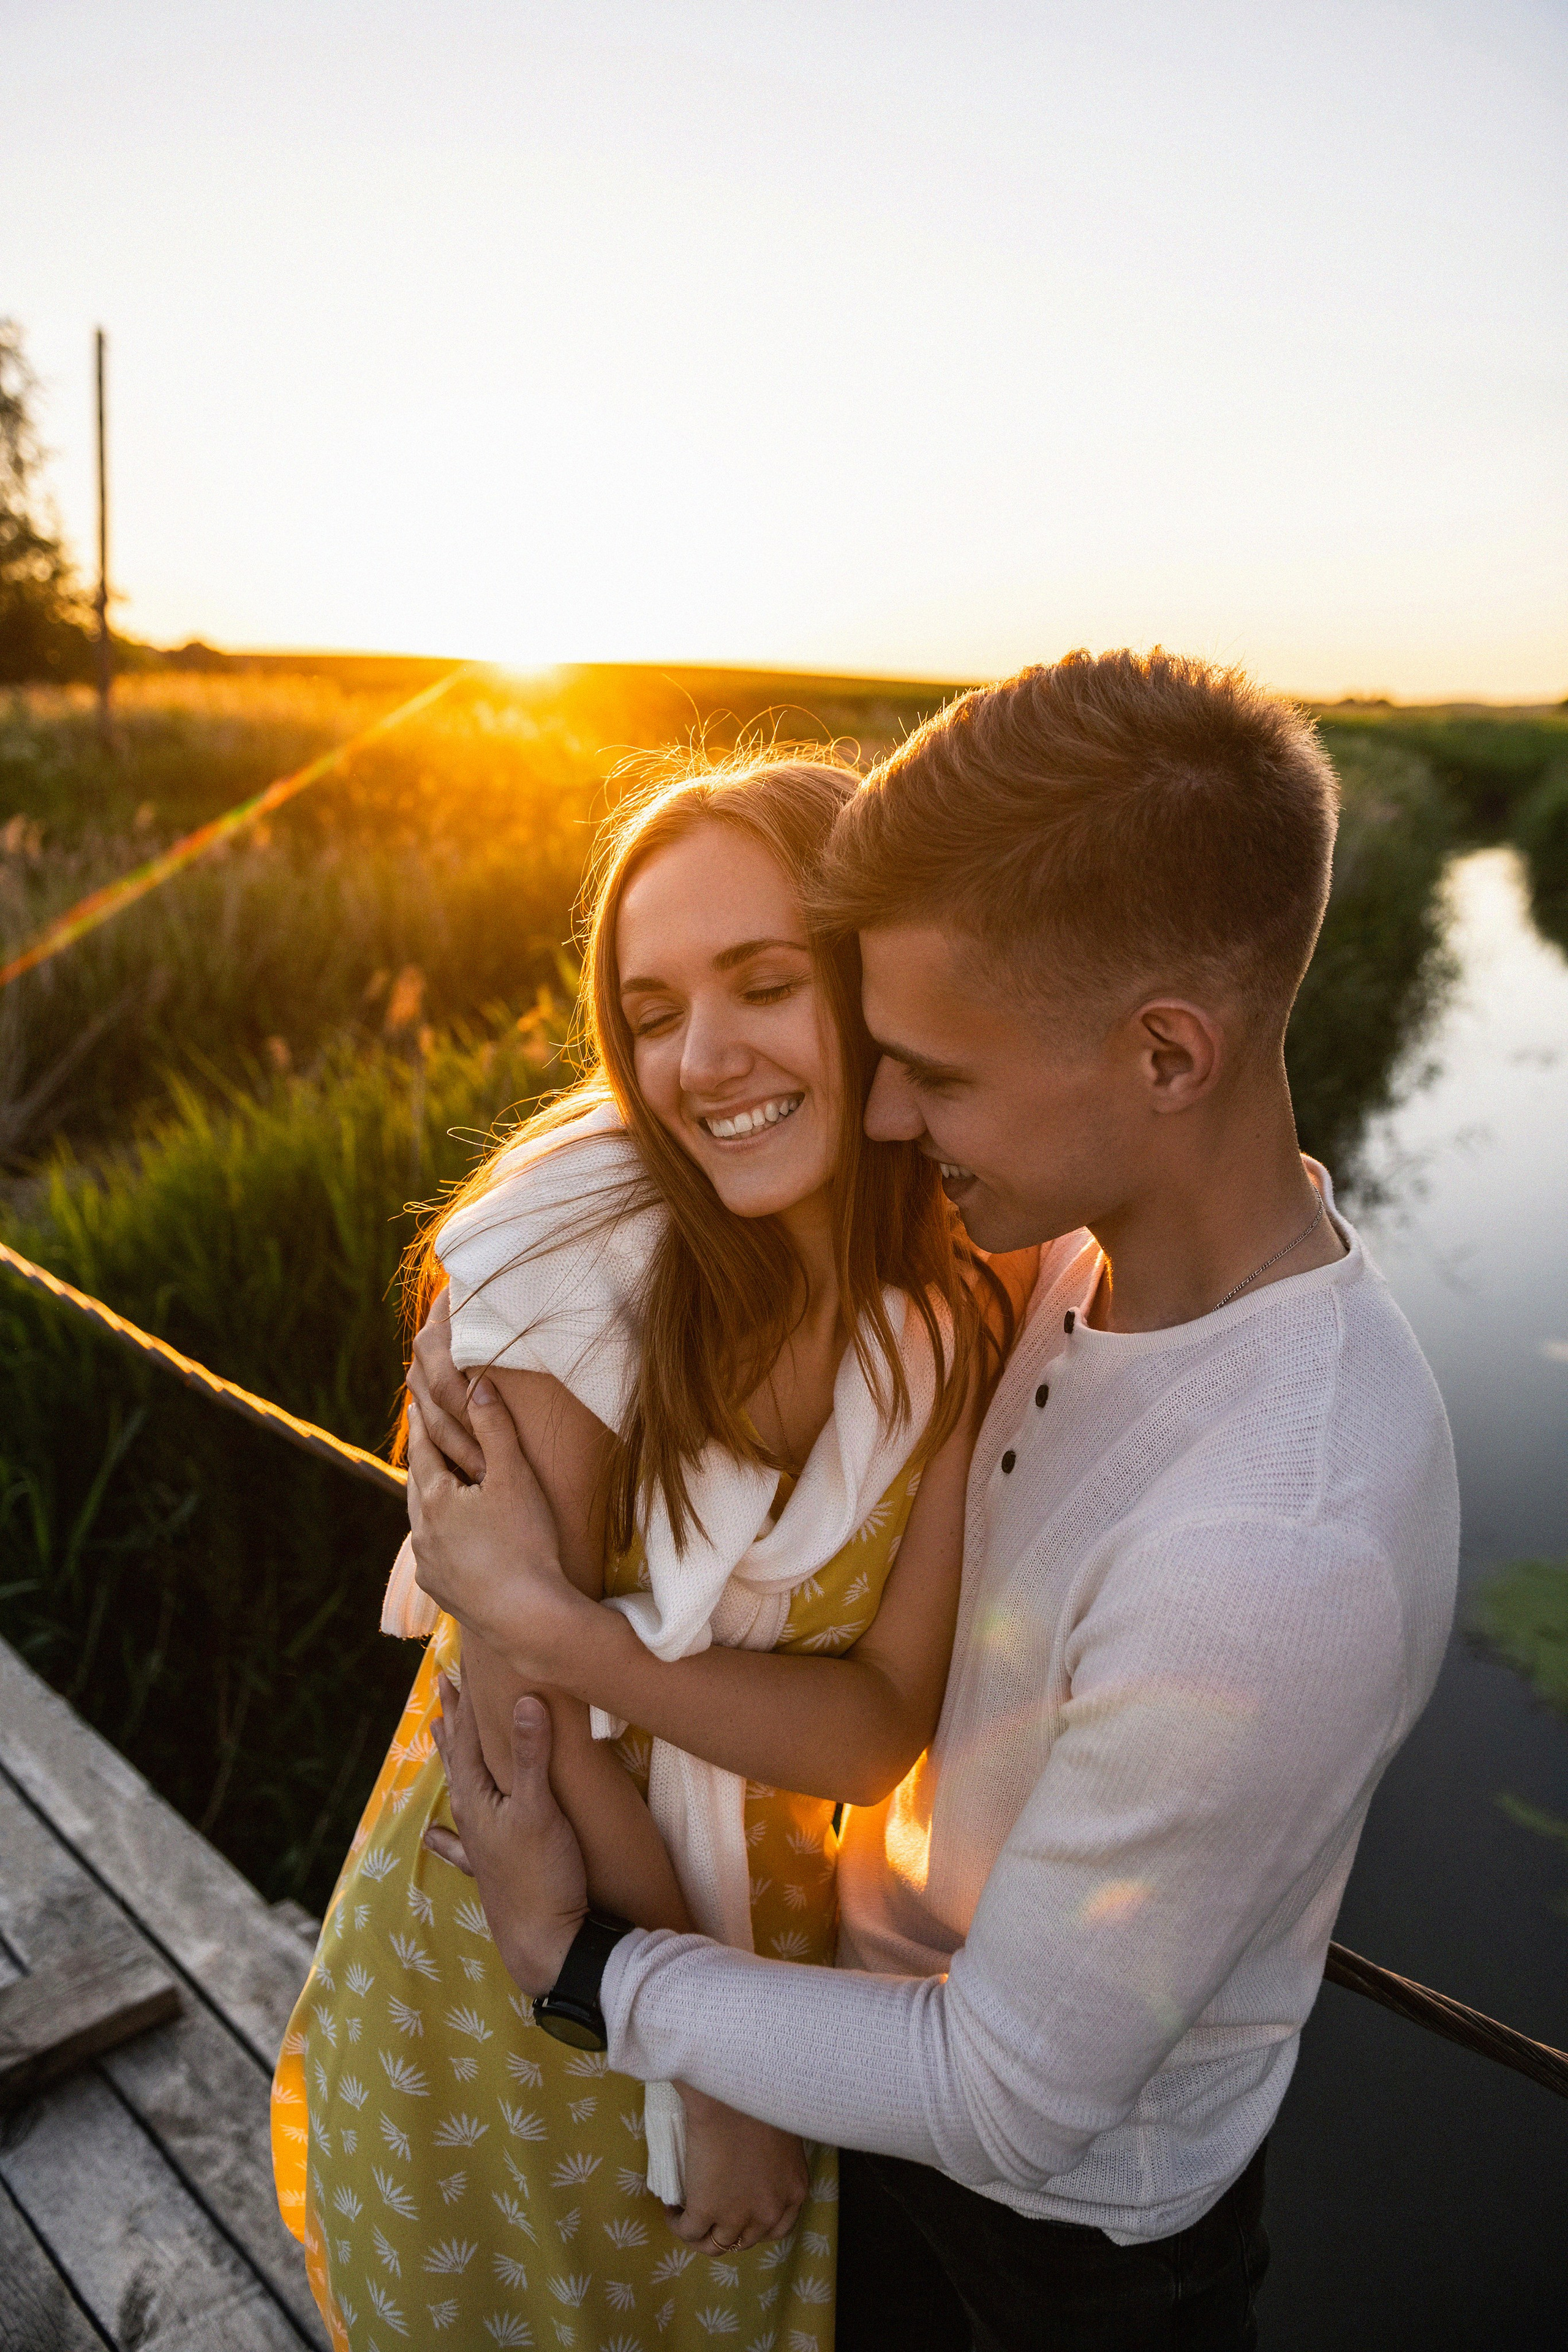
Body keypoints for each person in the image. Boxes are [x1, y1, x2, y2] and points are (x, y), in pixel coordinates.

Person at [405, 649, 1461, 2352]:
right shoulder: (1063, 1248)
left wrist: (593, 1976)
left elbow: (1010, 2097)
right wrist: (525, 1245)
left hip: (1054, 2251)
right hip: (846, 2057)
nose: (895, 1117)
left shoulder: (1275, 1551)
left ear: (1168, 1056)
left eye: (942, 1079)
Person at [271, 753, 1024, 2351]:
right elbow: (513, 1709)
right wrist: (703, 2060)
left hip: (763, 1924)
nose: (704, 1060)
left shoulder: (950, 1314)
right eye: (656, 1007)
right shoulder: (567, 1261)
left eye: (765, 983)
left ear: (870, 981)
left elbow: (882, 1713)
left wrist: (581, 1635)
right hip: (522, 1910)